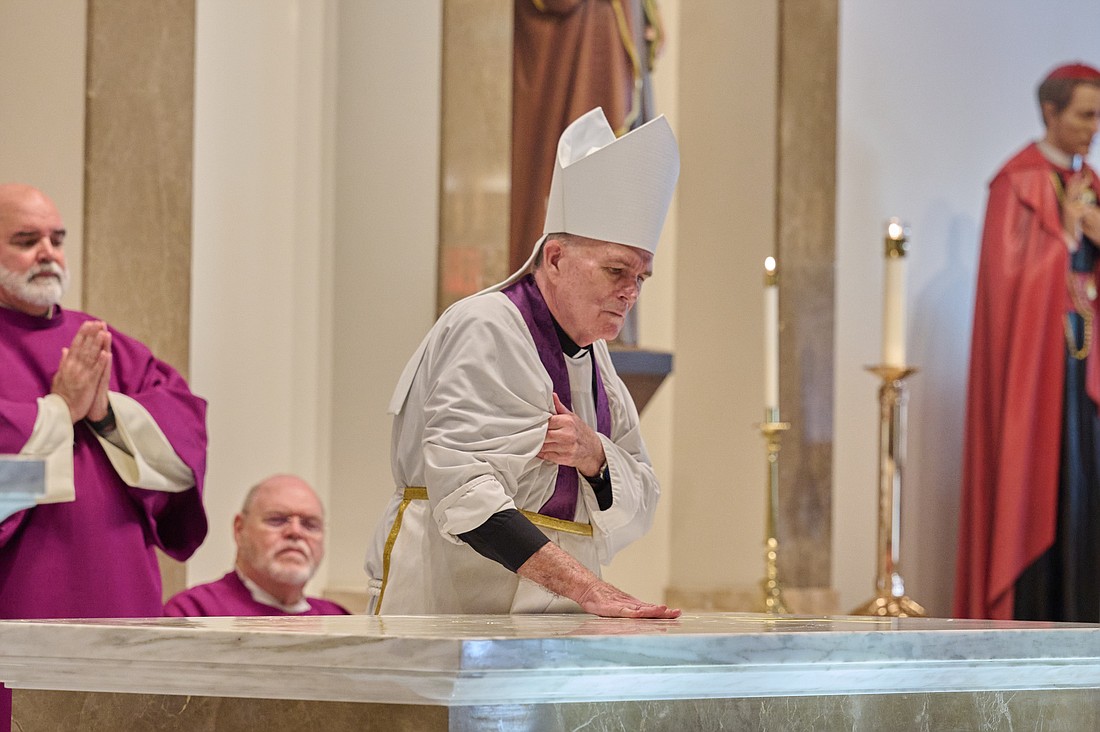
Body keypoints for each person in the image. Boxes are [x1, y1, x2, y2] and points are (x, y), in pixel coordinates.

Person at [365, 107, 680, 618]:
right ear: (554, 259)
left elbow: (642, 499)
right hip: (455, 594)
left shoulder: (596, 357)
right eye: (617, 270)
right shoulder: (487, 325)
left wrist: (594, 456)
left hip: (554, 610)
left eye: (641, 278)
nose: (630, 293)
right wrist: (589, 590)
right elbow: (465, 493)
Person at [0, 183, 208, 620]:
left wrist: (108, 416)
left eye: (56, 240)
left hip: (121, 596)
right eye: (26, 241)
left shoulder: (105, 345)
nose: (48, 253)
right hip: (19, 599)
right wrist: (59, 412)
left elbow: (183, 444)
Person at [955, 62, 1100, 621]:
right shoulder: (1015, 183)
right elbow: (1006, 288)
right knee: (1045, 490)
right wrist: (1063, 236)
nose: (1093, 128)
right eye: (1085, 115)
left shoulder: (1091, 187)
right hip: (1039, 377)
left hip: (1086, 374)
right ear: (1050, 112)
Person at [510, 0, 665, 275]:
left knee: (615, 189)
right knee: (571, 163)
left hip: (617, 23)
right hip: (582, 32)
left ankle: (608, 288)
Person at [164, 474, 349, 616]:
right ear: (239, 529)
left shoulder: (336, 619)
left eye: (310, 524)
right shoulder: (192, 613)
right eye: (277, 520)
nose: (295, 532)